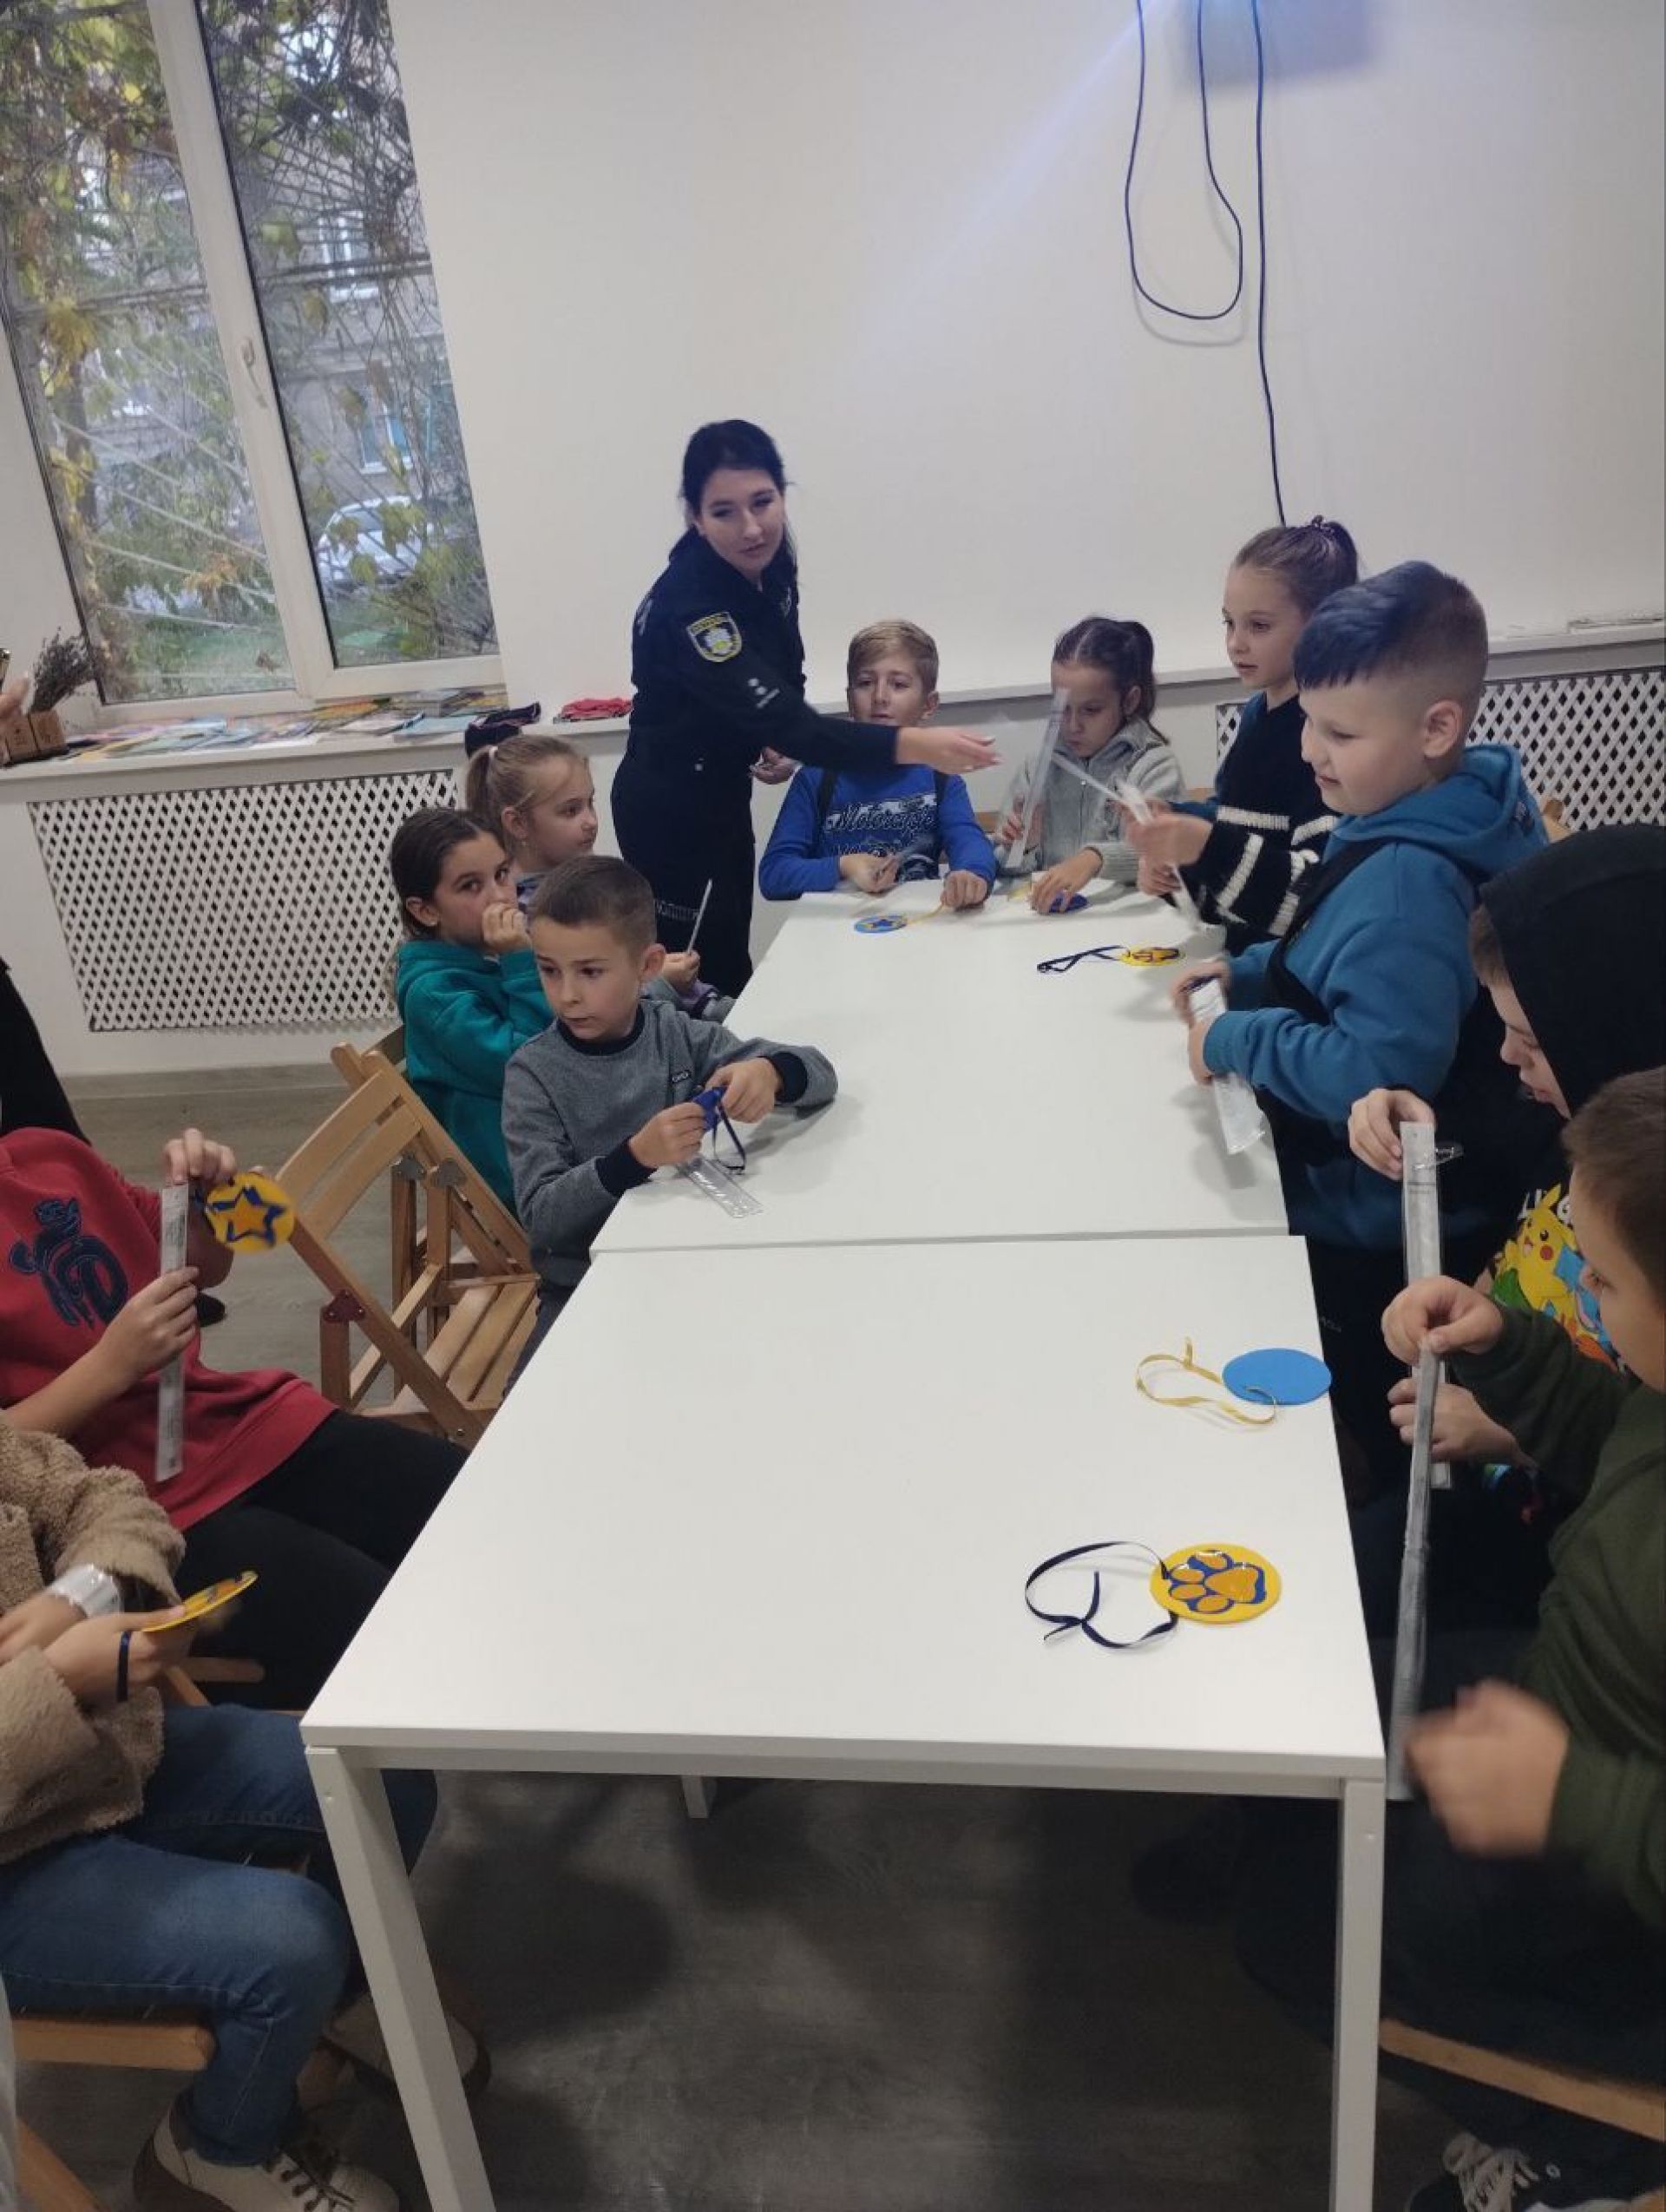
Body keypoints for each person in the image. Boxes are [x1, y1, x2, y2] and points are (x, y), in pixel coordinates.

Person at [1238, 1070, 1664, 2212]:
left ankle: (1597, 2151)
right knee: (1304, 1716)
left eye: (1603, 1279)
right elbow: (1618, 1435)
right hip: (1560, 1714)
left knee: (1300, 1941)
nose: (1584, 1292)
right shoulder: (1659, 1395)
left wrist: (1573, 1796)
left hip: (1612, 1864)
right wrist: (1507, 1348)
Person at [0, 1414, 468, 2212]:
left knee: (377, 1782)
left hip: (108, 1759)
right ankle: (217, 2145)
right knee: (291, 1939)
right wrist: (59, 1683)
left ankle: (328, 2006)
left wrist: (83, 1592)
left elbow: (104, 1494)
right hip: (18, 1862)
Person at [1171, 561, 1545, 1546]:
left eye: (1339, 733)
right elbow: (1330, 948)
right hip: (1397, 1208)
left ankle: (1364, 1512)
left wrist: (1234, 1034)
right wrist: (1247, 973)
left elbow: (1374, 1076)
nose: (1310, 751)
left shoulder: (1411, 879)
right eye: (1309, 721)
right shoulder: (1434, 803)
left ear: (1436, 727)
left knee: (1367, 1419)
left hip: (1378, 1230)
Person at [0, 1125, 463, 1708]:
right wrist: (111, 1366)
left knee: (472, 1516)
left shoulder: (53, 1155)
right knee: (397, 1632)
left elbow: (202, 1266)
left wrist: (205, 1205)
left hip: (245, 1424)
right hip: (137, 1516)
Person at [1346, 825, 1666, 1625]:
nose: (1506, 1059)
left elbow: (1633, 1444)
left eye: (1530, 1040)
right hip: (1472, 1424)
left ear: (1613, 1031)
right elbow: (1485, 1138)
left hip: (1538, 1544)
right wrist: (1406, 1118)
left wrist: (1508, 1433)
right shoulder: (1564, 1112)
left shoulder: (1634, 1186)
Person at [612, 419, 997, 994]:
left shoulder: (768, 559)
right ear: (695, 516)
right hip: (670, 804)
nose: (751, 528)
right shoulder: (692, 606)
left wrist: (768, 734)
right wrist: (914, 742)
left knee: (729, 956)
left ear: (782, 493)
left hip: (723, 785)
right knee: (690, 973)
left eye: (763, 502)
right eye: (724, 512)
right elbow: (792, 723)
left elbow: (780, 667)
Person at [502, 857, 836, 1364]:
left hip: (691, 1256)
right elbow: (543, 1219)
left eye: (590, 972)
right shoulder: (533, 1074)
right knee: (533, 1403)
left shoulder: (673, 1033)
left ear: (648, 966)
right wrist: (633, 1158)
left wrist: (769, 1073)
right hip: (585, 1283)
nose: (567, 995)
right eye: (549, 970)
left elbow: (821, 1073)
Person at [1124, 519, 1360, 948]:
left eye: (1259, 626)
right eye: (1229, 623)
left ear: (1320, 624)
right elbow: (1240, 847)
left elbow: (1310, 900)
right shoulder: (1255, 715)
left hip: (1282, 975)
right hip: (1237, 959)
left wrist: (1203, 846)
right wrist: (1175, 867)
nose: (1236, 643)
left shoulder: (1324, 738)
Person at [758, 620, 995, 905]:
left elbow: (968, 839)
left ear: (929, 704)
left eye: (898, 685)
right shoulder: (817, 778)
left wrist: (972, 874)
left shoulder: (940, 777)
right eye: (865, 683)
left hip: (915, 922)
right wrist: (843, 866)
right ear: (850, 699)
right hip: (835, 927)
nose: (880, 697)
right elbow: (774, 875)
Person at [390, 806, 552, 1211]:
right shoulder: (434, 995)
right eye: (470, 886)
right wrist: (521, 963)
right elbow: (533, 1066)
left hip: (547, 1142)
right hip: (525, 1182)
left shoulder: (482, 958)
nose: (500, 896)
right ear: (425, 911)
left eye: (501, 874)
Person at [997, 617, 1184, 914]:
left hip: (1127, 922)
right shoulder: (1037, 770)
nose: (1073, 726)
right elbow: (1005, 869)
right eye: (1062, 709)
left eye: (1091, 710)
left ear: (1129, 701)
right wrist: (1021, 848)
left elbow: (1163, 853)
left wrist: (1094, 858)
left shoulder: (1153, 766)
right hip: (1047, 924)